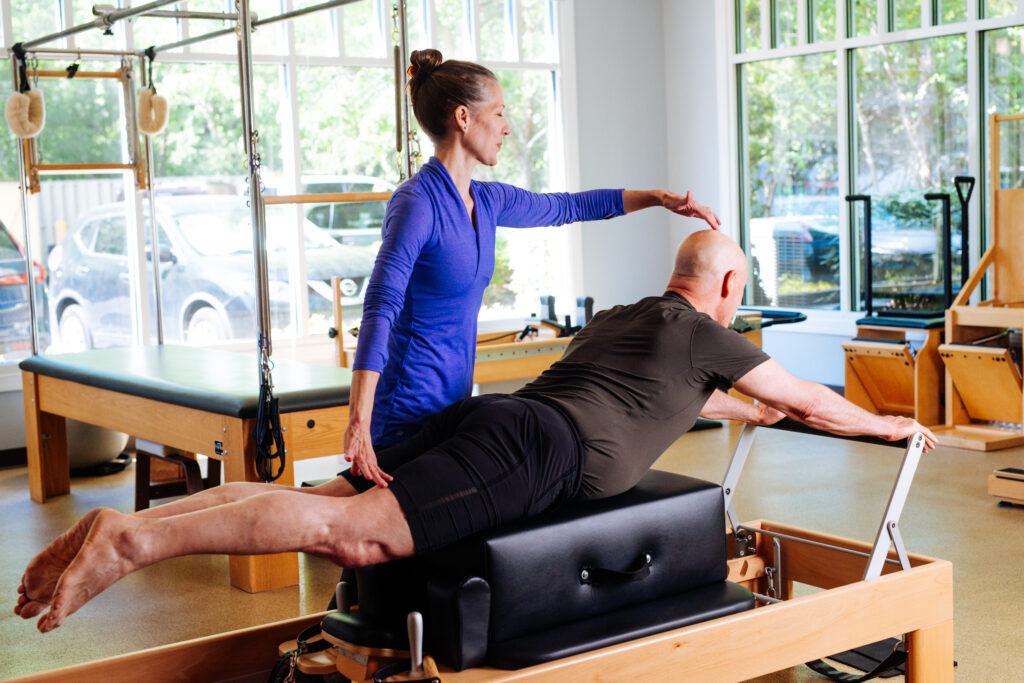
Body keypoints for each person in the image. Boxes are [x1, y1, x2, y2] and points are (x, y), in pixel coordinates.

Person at [16, 230, 936, 633]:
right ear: (730, 291)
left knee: (324, 496)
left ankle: (120, 529)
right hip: (535, 451)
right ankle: (133, 542)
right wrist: (889, 420)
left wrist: (744, 405)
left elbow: (678, 401)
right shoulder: (710, 333)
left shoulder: (630, 318)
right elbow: (814, 401)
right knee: (352, 534)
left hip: (493, 417)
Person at [345, 47, 722, 489]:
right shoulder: (416, 203)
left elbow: (567, 207)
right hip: (403, 410)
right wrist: (358, 421)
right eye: (499, 112)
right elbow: (380, 307)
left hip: (451, 407)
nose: (506, 126)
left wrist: (658, 198)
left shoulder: (485, 200)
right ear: (463, 118)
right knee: (378, 539)